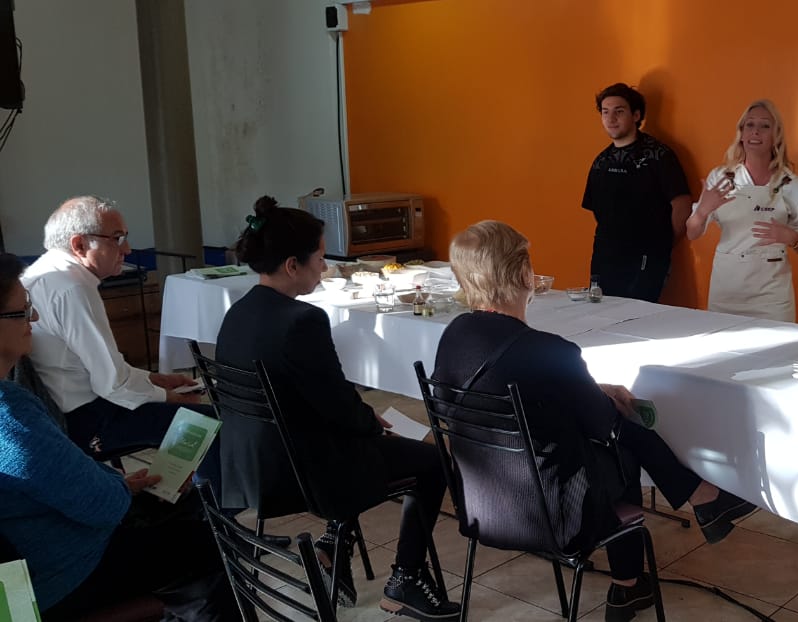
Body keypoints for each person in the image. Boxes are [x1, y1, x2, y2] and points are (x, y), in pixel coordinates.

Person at [433, 220, 756, 622]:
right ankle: (633, 576)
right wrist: (599, 396)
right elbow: (606, 426)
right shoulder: (550, 351)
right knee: (622, 448)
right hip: (552, 516)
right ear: (525, 275)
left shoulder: (454, 336)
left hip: (480, 505)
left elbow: (481, 397)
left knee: (611, 440)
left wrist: (588, 389)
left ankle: (698, 505)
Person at [215, 196, 458, 621]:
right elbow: (338, 407)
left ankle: (334, 547)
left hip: (250, 462)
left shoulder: (237, 311)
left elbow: (318, 396)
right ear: (293, 265)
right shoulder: (302, 320)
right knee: (433, 462)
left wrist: (360, 420)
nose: (324, 267)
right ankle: (406, 578)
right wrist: (371, 423)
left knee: (356, 437)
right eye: (320, 258)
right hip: (301, 473)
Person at [0, 252, 235, 620]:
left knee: (172, 505)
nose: (34, 319)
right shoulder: (10, 414)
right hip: (50, 577)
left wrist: (116, 484)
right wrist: (117, 488)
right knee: (211, 545)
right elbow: (103, 505)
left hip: (34, 557)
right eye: (22, 312)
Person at [21, 196, 217, 467]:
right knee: (210, 424)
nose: (127, 249)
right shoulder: (72, 287)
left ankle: (172, 485)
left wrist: (154, 378)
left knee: (190, 416)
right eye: (117, 238)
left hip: (62, 411)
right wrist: (169, 398)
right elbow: (113, 384)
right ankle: (193, 494)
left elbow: (95, 369)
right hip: (86, 419)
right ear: (79, 245)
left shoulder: (41, 272)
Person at [686, 99, 798, 323]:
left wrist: (793, 238)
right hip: (727, 291)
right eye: (750, 125)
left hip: (772, 296)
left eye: (765, 126)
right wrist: (702, 211)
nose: (756, 131)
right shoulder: (721, 178)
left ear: (776, 135)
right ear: (741, 133)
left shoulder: (791, 185)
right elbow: (692, 232)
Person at [581, 82, 693, 302]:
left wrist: (661, 246)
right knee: (601, 313)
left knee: (638, 314)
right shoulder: (601, 162)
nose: (611, 118)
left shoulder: (658, 155)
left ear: (636, 115)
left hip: (646, 258)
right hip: (606, 257)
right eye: (605, 112)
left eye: (619, 111)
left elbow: (682, 205)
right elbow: (599, 212)